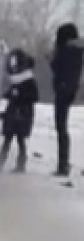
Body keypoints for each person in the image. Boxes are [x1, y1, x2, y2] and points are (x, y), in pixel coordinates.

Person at [0, 49, 38, 173]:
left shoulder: (29, 82)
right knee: (8, 139)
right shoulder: (17, 81)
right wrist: (4, 111)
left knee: (20, 140)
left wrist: (19, 98)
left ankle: (20, 164)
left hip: (22, 114)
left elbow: (33, 97)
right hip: (13, 114)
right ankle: (0, 163)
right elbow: (10, 96)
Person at [50, 23, 83, 176]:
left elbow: (59, 68)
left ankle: (63, 165)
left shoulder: (66, 50)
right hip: (70, 89)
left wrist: (51, 59)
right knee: (62, 127)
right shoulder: (78, 50)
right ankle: (63, 164)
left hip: (63, 90)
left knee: (61, 127)